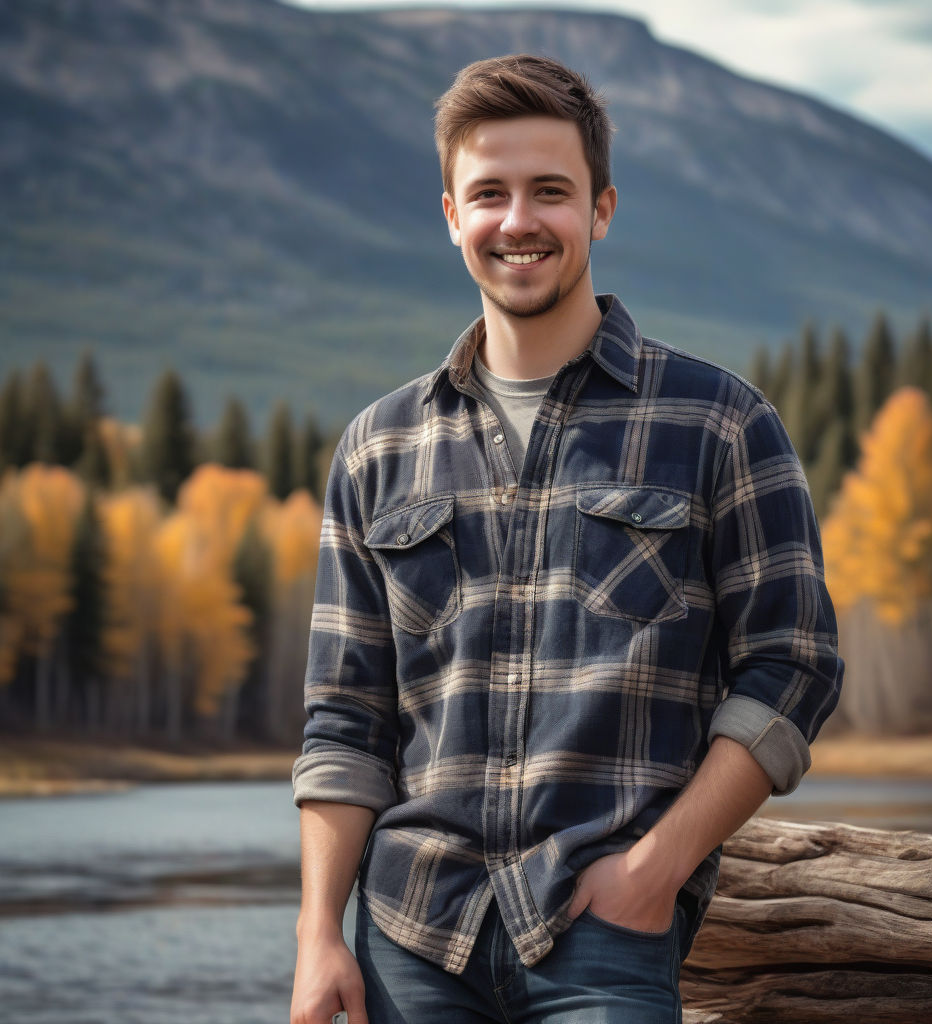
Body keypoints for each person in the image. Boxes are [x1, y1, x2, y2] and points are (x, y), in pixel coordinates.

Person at [290, 54, 843, 1024]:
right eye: (489, 193)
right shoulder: (379, 448)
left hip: (605, 930)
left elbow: (792, 665)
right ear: (452, 215)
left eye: (550, 190)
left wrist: (656, 868)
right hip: (409, 934)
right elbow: (345, 721)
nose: (518, 221)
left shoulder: (716, 422)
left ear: (601, 208)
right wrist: (317, 936)